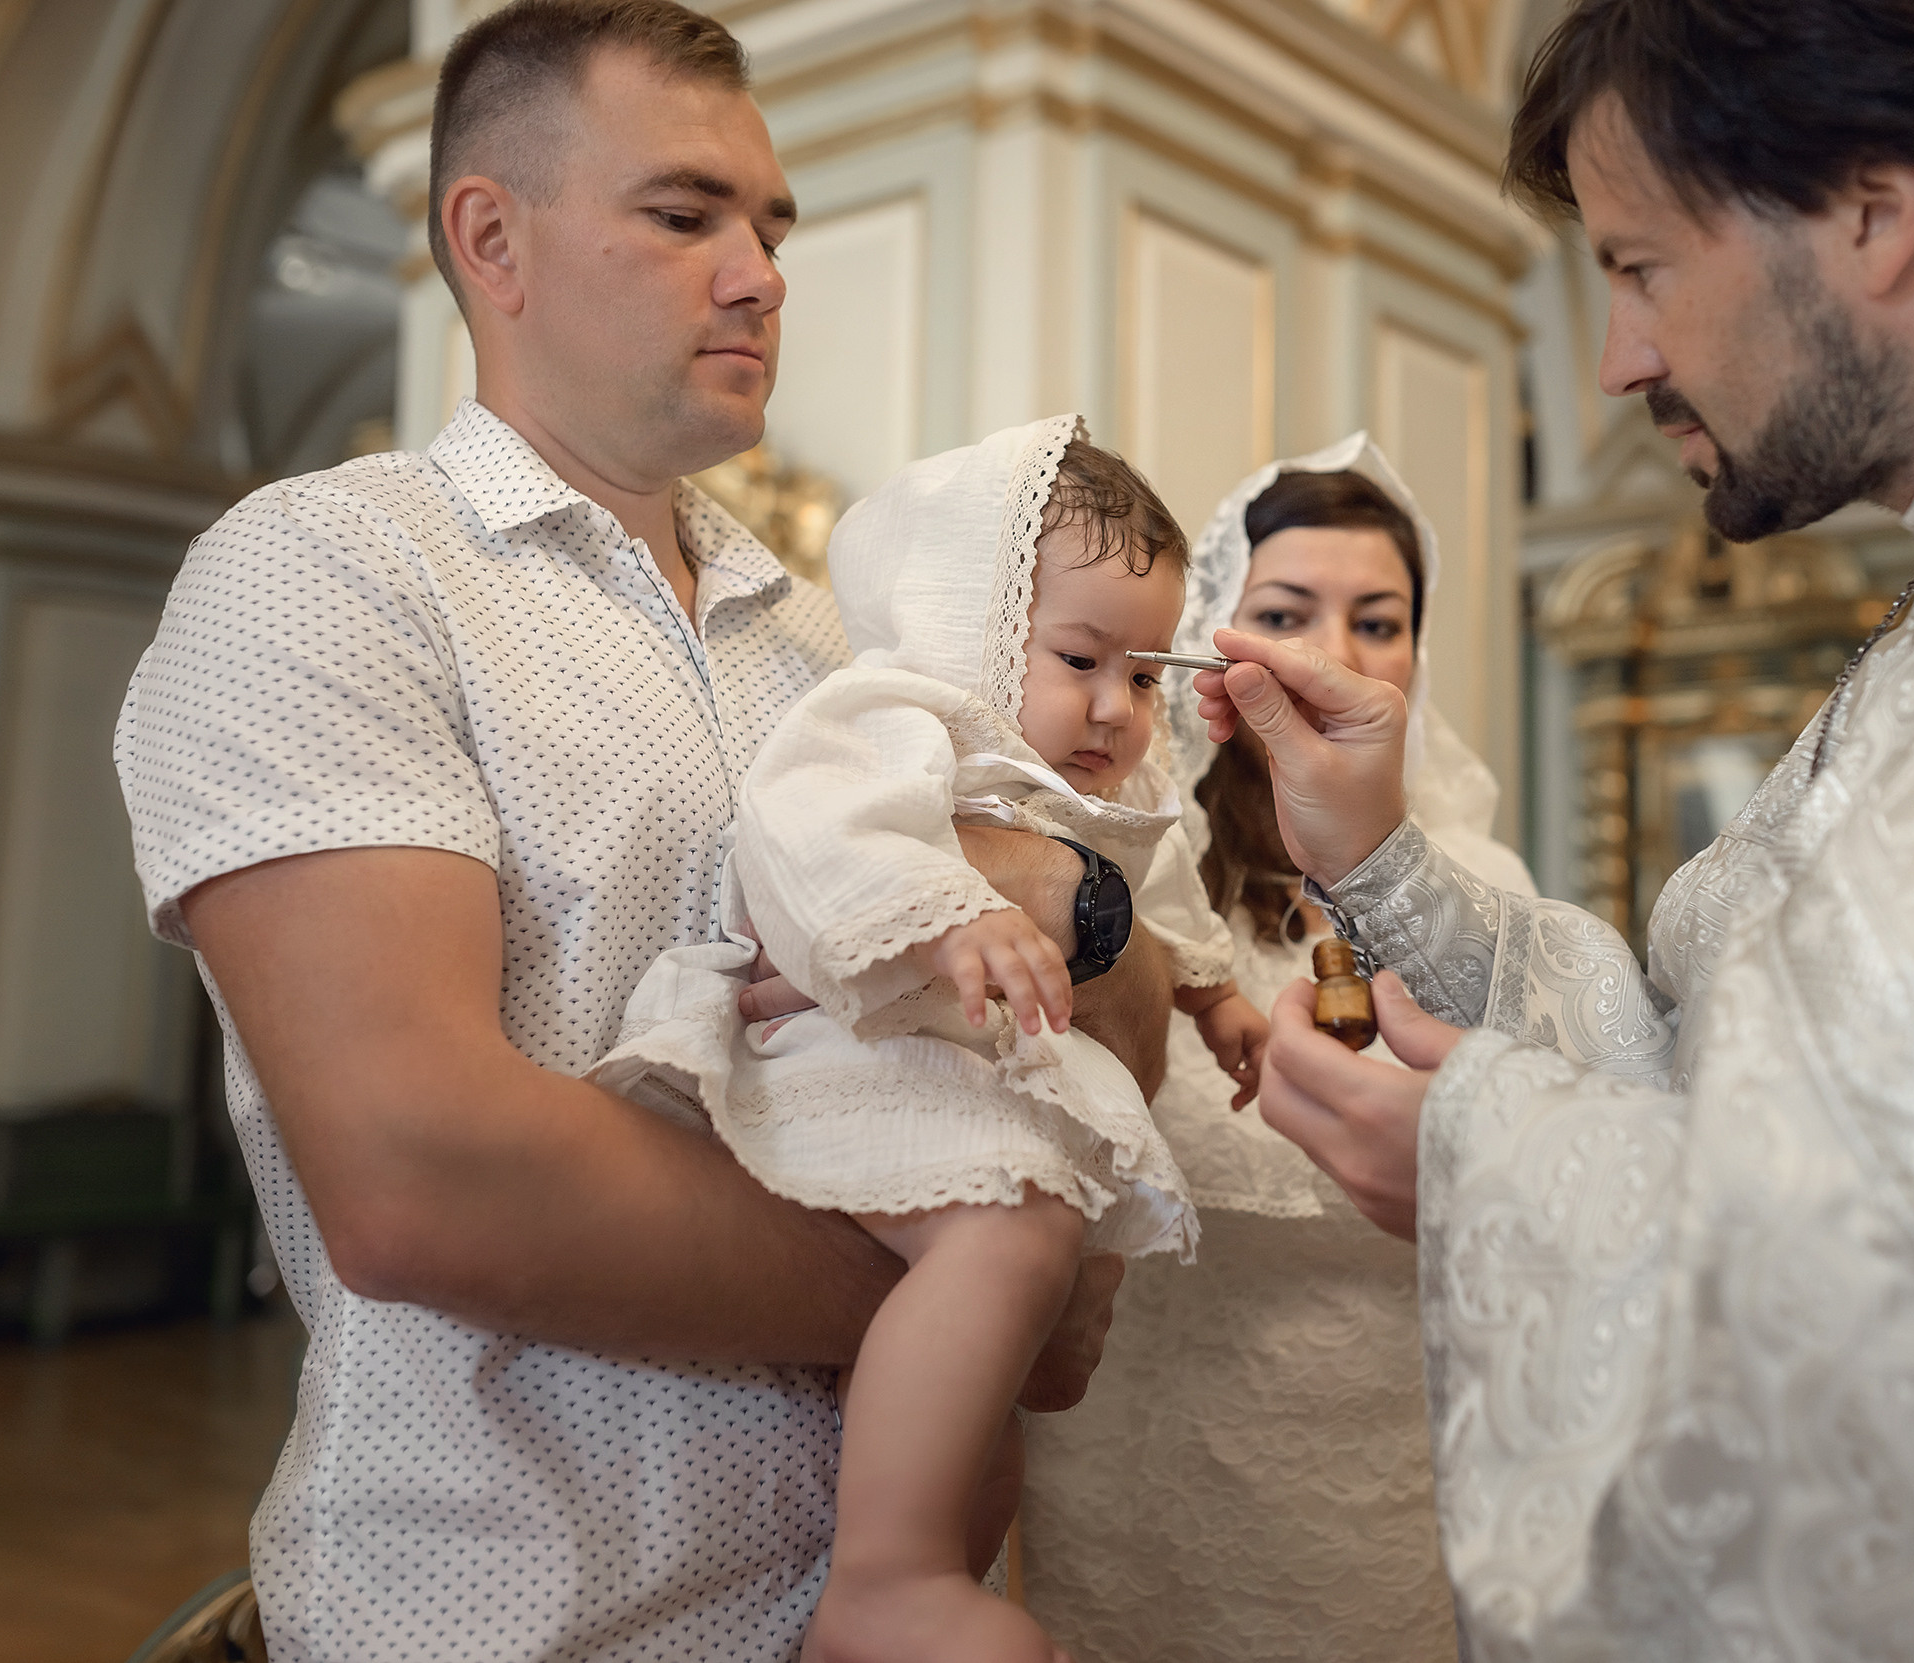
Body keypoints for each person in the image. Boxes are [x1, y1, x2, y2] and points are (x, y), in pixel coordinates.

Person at [1197, 0, 1914, 1657]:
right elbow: (1720, 1071)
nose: (1618, 360)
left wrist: (1485, 1162)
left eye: (1641, 266)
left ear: (1875, 209)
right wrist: (1378, 862)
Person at [111, 5, 1152, 1656]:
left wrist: (1076, 896)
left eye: (770, 225)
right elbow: (420, 1177)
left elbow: (1097, 1014)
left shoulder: (840, 643)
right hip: (513, 1610)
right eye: (685, 217)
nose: (759, 271)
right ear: (491, 236)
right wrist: (994, 1287)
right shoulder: (324, 571)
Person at [589, 416, 1267, 1663]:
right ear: (975, 619)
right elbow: (805, 841)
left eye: (1146, 674)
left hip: (978, 1087)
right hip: (867, 1059)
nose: (1117, 707)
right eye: (1080, 658)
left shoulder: (1098, 778)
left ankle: (935, 1585)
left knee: (999, 1404)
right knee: (1010, 1237)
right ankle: (885, 1577)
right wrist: (950, 907)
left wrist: (1215, 995)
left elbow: (1157, 896)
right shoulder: (892, 720)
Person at [1019, 436, 1533, 1659]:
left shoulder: (1489, 901)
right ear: (1212, 637)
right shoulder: (1129, 876)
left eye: (1379, 621)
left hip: (1383, 1497)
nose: (1329, 659)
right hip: (1123, 1477)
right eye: (1286, 614)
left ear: (1420, 649)